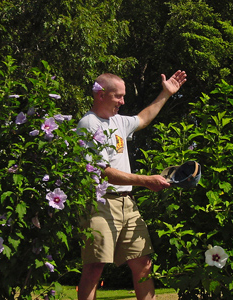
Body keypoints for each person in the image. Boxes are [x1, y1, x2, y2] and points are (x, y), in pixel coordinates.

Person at [77, 70, 187, 300]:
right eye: (118, 96)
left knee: (143, 263)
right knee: (95, 267)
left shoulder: (118, 121)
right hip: (100, 203)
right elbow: (103, 172)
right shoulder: (88, 124)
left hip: (128, 202)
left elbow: (143, 118)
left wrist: (165, 94)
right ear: (101, 95)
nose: (123, 101)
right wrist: (146, 181)